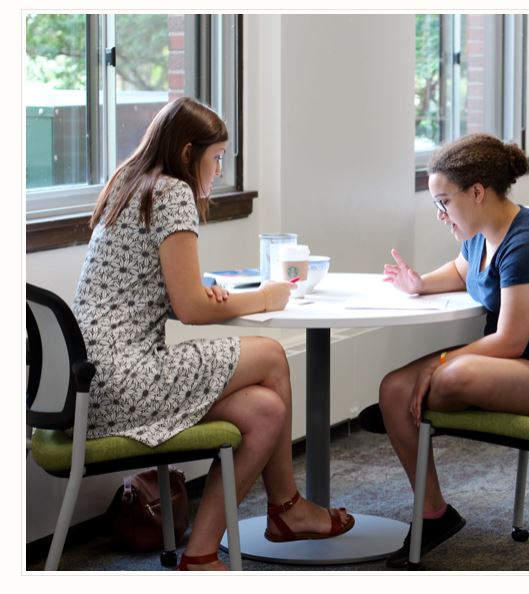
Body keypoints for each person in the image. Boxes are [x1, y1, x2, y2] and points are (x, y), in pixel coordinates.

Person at [72, 97, 353, 571]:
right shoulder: (171, 194)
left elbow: (145, 285)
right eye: (216, 157)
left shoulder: (129, 182)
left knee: (265, 410)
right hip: (126, 378)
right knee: (270, 355)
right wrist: (265, 297)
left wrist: (198, 289)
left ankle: (200, 554)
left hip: (91, 384)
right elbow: (191, 311)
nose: (219, 171)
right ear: (188, 153)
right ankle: (287, 508)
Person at [377, 133, 529, 568]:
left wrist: (440, 362)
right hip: (514, 364)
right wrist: (420, 283)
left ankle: (415, 410)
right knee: (394, 389)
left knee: (452, 375)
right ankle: (434, 513)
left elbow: (510, 341)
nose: (439, 215)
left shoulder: (527, 243)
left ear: (476, 192)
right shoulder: (480, 233)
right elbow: (461, 271)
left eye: (443, 202)